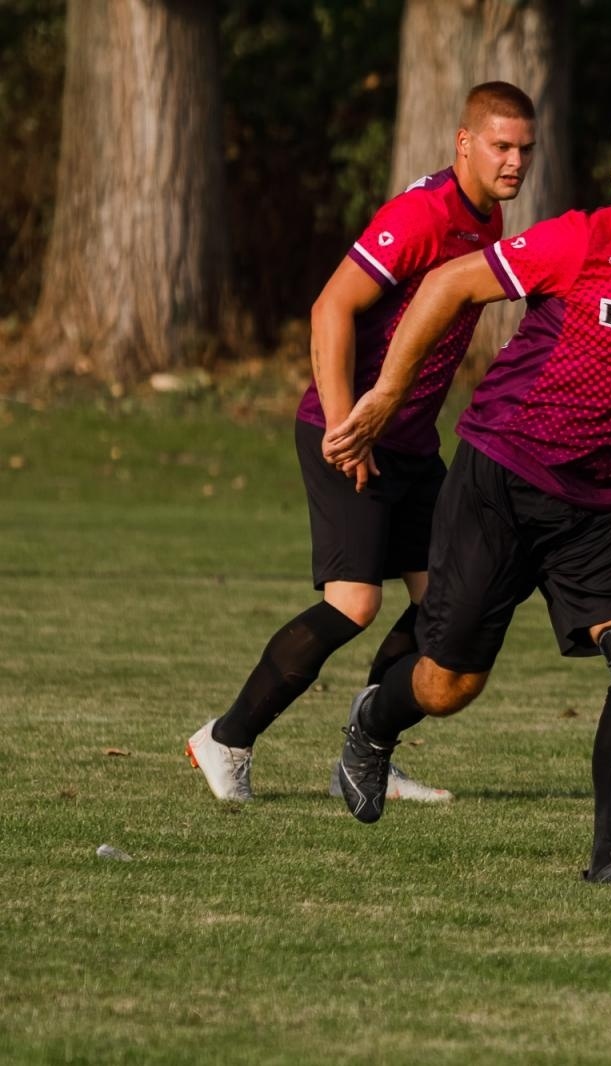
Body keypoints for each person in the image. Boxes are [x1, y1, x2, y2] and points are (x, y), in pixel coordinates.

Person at [321, 99, 611, 889]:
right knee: (450, 683)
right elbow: (449, 286)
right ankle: (373, 720)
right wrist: (388, 393)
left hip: (599, 505)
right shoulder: (580, 237)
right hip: (502, 476)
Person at [186, 82, 539, 803]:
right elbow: (331, 307)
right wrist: (348, 428)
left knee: (444, 600)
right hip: (346, 430)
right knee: (354, 604)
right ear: (464, 142)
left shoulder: (489, 214)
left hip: (410, 442)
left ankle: (368, 749)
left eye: (525, 149)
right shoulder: (423, 213)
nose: (515, 161)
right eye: (501, 146)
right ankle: (227, 737)